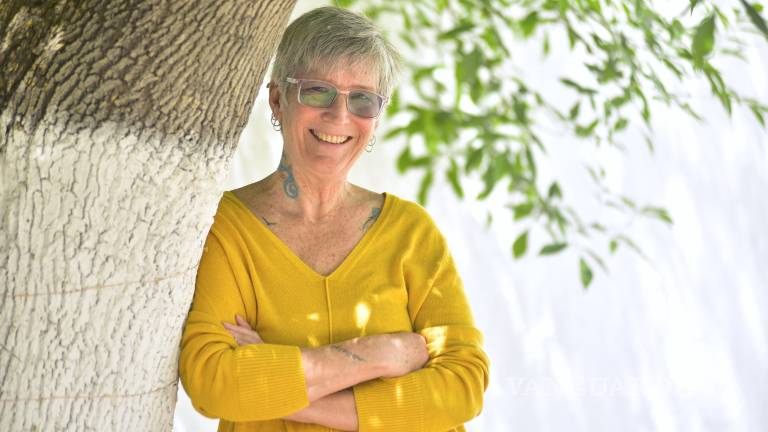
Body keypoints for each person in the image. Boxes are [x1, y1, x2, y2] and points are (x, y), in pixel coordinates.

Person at [179, 6, 490, 432]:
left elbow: (463, 386)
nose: (340, 116)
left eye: (362, 99)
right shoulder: (226, 228)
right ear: (277, 99)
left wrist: (277, 386)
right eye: (317, 91)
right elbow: (213, 383)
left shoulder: (411, 233)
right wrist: (380, 355)